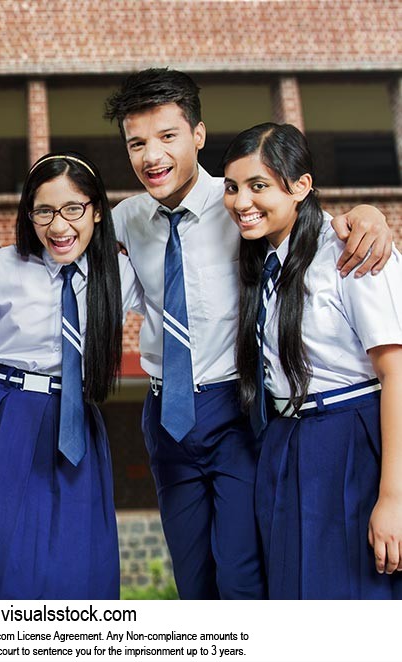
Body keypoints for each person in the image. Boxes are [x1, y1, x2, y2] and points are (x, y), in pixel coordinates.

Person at [104, 67, 392, 599]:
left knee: (243, 575)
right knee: (194, 581)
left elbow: (308, 222)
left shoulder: (240, 204)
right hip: (166, 413)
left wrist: (368, 215)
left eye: (167, 137)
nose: (152, 156)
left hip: (235, 409)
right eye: (137, 143)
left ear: (198, 135)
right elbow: (60, 240)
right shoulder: (125, 220)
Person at [224, 122, 402, 599]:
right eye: (232, 187)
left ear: (301, 186)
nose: (242, 202)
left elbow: (396, 375)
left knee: (353, 597)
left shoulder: (353, 253)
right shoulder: (261, 261)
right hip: (284, 442)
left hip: (352, 438)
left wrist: (393, 499)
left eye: (259, 186)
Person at [0, 152, 143, 599]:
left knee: (78, 562)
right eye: (44, 211)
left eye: (73, 209)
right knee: (1, 556)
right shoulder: (4, 264)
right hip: (11, 414)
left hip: (76, 420)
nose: (59, 226)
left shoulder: (117, 272)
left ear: (97, 211)